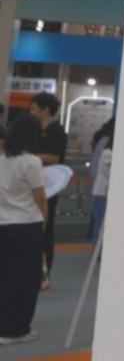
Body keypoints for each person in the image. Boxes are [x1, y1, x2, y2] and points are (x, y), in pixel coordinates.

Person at [0, 116, 47, 345]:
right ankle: (15, 330)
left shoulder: (2, 159)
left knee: (4, 276)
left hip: (3, 224)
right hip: (26, 225)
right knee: (24, 280)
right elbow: (40, 196)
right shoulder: (32, 161)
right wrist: (44, 221)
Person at [28, 94, 65, 290]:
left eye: (35, 108)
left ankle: (44, 273)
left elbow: (55, 157)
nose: (31, 111)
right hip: (34, 184)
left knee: (45, 229)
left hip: (49, 186)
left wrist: (30, 156)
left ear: (46, 110)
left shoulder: (56, 131)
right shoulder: (35, 129)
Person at [90, 121, 114, 244]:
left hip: (103, 193)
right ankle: (96, 251)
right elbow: (110, 173)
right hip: (102, 194)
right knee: (100, 226)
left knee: (101, 225)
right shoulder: (108, 153)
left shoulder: (106, 149)